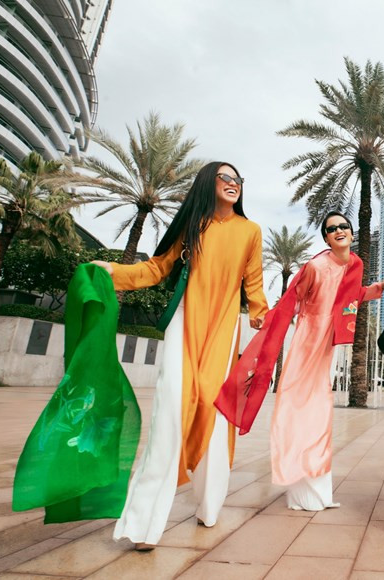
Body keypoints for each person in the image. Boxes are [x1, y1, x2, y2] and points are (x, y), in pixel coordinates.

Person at [92, 161, 268, 550]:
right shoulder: (192, 226)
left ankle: (208, 503)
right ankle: (143, 524)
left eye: (238, 179)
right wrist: (113, 272)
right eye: (225, 177)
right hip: (184, 325)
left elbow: (253, 282)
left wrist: (260, 313)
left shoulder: (250, 231)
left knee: (212, 408)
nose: (233, 183)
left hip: (224, 328)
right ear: (208, 182)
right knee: (171, 412)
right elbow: (157, 268)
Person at [267, 212, 384, 510]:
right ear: (326, 238)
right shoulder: (316, 266)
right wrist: (267, 321)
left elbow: (352, 297)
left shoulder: (354, 264)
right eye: (332, 229)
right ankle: (300, 491)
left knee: (320, 415)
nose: (339, 231)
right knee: (302, 411)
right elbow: (292, 301)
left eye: (344, 226)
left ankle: (318, 493)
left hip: (329, 344)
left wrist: (383, 286)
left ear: (352, 232)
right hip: (308, 344)